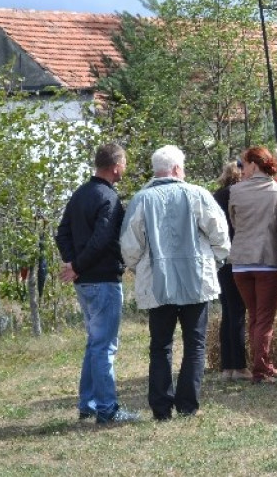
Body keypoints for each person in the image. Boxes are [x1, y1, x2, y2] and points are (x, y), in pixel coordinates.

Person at [121, 145, 230, 422]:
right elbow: (220, 234)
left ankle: (161, 408)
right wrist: (214, 261)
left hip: (158, 282)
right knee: (195, 343)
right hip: (196, 279)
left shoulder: (141, 199)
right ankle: (188, 405)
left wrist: (139, 268)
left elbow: (130, 245)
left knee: (160, 345)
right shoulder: (197, 194)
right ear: (178, 169)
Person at [55, 143, 139, 425]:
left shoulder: (80, 193)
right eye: (124, 163)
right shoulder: (109, 198)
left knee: (95, 343)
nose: (125, 168)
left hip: (84, 282)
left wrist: (73, 264)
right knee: (104, 347)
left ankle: (88, 404)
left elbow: (62, 233)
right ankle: (107, 409)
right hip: (102, 279)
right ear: (115, 167)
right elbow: (102, 239)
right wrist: (77, 265)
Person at [229, 146, 277, 384]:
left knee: (254, 316)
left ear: (254, 165)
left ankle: (263, 364)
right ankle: (261, 369)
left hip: (240, 260)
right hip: (266, 258)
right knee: (264, 318)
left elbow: (235, 222)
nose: (241, 169)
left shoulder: (235, 191)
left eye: (243, 165)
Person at [212, 161, 249, 381]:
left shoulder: (216, 195)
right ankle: (240, 366)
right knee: (237, 312)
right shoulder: (237, 195)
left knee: (228, 311)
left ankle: (227, 366)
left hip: (221, 259)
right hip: (237, 255)